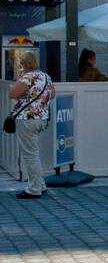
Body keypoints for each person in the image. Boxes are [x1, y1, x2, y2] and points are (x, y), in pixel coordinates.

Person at [8, 51, 55, 200]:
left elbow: (12, 93)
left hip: (27, 119)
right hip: (41, 119)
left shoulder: (27, 78)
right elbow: (51, 94)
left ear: (23, 64)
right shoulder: (45, 77)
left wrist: (24, 93)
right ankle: (40, 185)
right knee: (34, 153)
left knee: (30, 155)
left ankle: (34, 189)